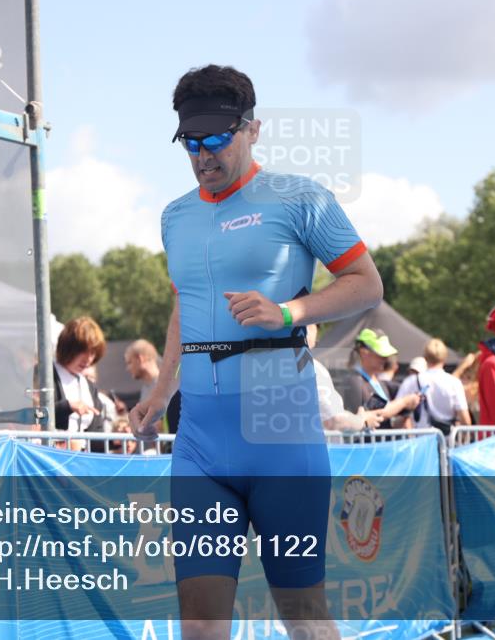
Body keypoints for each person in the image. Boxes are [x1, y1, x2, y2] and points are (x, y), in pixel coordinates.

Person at [129, 64, 384, 640]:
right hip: (199, 441)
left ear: (252, 129)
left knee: (303, 616)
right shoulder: (175, 216)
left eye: (217, 139)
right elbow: (185, 307)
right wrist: (160, 391)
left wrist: (289, 312)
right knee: (199, 623)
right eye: (191, 142)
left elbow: (367, 284)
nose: (203, 154)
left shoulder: (299, 199)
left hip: (280, 433)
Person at [305, 323, 383, 434]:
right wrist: (362, 421)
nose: (317, 334)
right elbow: (335, 419)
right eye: (316, 324)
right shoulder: (311, 368)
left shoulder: (273, 365)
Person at [53, 317, 108, 452]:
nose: (89, 358)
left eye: (93, 352)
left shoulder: (89, 386)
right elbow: (33, 414)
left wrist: (115, 443)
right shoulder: (43, 376)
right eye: (84, 351)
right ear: (68, 347)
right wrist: (67, 407)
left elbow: (96, 433)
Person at [395, 338, 471, 435]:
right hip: (447, 440)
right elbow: (465, 419)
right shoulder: (454, 383)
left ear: (425, 357)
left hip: (420, 440)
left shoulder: (411, 381)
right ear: (445, 358)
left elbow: (398, 415)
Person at [349, 328, 421, 429]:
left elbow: (386, 424)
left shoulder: (380, 383)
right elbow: (376, 414)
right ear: (364, 352)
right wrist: (405, 402)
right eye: (380, 354)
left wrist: (407, 411)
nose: (385, 359)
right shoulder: (354, 381)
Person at [124, 339, 162, 405]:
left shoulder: (165, 388)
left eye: (130, 362)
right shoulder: (147, 388)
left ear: (140, 359)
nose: (128, 368)